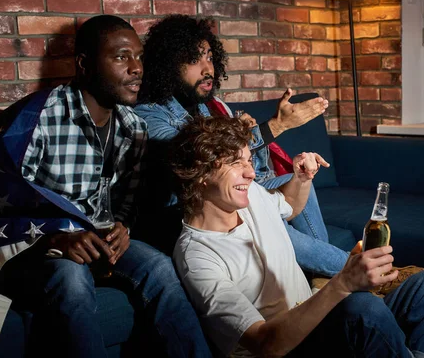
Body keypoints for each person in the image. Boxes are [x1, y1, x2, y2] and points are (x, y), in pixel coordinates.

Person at [0, 15, 211, 358]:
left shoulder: (134, 128)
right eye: (121, 57)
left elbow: (124, 204)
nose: (136, 68)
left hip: (94, 238)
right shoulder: (37, 121)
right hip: (33, 248)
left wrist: (122, 228)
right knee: (71, 278)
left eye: (139, 57)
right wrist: (54, 239)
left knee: (159, 267)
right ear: (84, 65)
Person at [169, 116, 424, 358]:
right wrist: (342, 283)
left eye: (249, 160)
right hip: (286, 344)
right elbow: (265, 343)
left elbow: (290, 206)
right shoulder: (197, 256)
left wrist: (302, 179)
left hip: (314, 312)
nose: (251, 173)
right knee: (362, 309)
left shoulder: (250, 196)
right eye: (236, 163)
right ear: (201, 172)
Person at [134, 14, 348, 277]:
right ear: (167, 65)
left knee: (297, 178)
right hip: (186, 211)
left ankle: (326, 275)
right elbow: (199, 155)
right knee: (265, 221)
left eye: (209, 57)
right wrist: (275, 127)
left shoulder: (207, 106)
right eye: (193, 60)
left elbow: (250, 170)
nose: (207, 69)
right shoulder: (148, 115)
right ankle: (354, 270)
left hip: (224, 194)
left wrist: (247, 135)